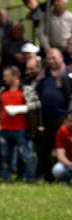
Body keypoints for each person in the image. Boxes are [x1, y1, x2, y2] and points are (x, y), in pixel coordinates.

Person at [0, 66, 41, 183]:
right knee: (5, 155)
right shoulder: (2, 91)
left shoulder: (26, 91)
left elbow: (35, 109)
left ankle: (30, 178)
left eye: (6, 76)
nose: (4, 78)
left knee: (25, 155)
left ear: (15, 77)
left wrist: (34, 128)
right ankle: (6, 177)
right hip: (5, 129)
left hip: (21, 129)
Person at [35, 48, 71, 182]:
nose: (51, 61)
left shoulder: (68, 73)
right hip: (44, 117)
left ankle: (65, 177)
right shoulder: (43, 75)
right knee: (45, 149)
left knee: (63, 148)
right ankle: (48, 177)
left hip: (62, 117)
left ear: (61, 58)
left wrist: (69, 116)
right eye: (49, 58)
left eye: (54, 58)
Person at [52, 111, 72, 185]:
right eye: (70, 121)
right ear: (66, 121)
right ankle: (66, 180)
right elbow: (60, 155)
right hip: (67, 162)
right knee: (57, 170)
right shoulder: (61, 132)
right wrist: (69, 164)